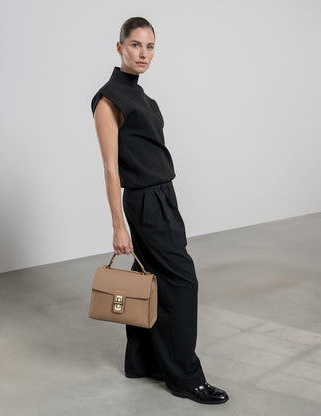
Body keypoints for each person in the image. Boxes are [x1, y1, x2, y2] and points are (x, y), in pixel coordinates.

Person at [91, 16, 229, 405]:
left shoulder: (145, 99)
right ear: (120, 47)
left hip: (164, 194)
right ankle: (185, 377)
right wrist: (118, 225)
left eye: (150, 47)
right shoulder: (108, 100)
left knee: (149, 277)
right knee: (182, 282)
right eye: (136, 45)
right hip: (144, 200)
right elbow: (110, 167)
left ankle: (143, 361)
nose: (143, 54)